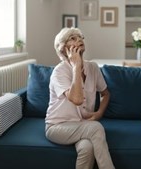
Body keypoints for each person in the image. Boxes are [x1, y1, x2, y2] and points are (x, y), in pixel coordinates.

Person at [45, 27, 115, 169]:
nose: (79, 39)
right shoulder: (59, 72)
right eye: (73, 38)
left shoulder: (93, 67)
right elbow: (76, 99)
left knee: (87, 148)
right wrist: (76, 66)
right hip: (57, 127)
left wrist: (99, 113)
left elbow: (105, 93)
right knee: (96, 128)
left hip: (81, 125)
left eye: (80, 37)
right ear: (64, 48)